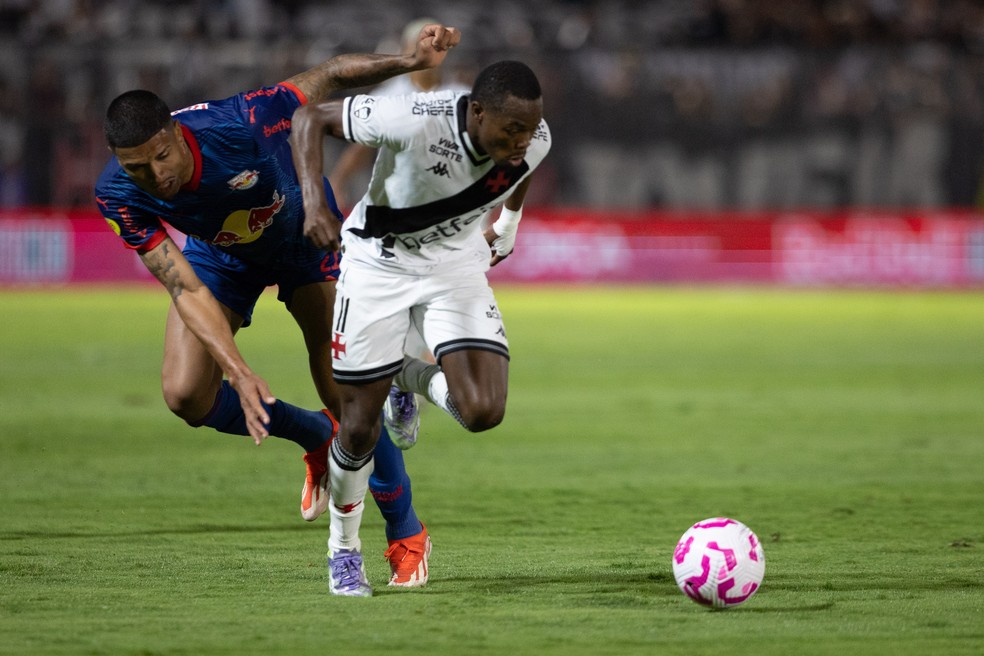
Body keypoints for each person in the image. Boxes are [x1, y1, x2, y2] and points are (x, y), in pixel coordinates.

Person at [94, 23, 461, 593]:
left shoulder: (240, 121)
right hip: (221, 259)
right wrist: (238, 371)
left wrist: (409, 60)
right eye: (137, 168)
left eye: (160, 158)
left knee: (347, 392)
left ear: (174, 132)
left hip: (304, 242)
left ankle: (405, 532)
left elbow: (330, 75)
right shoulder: (117, 192)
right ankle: (312, 436)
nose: (155, 177)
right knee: (186, 395)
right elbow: (185, 288)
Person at [290, 59, 551, 596]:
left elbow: (523, 169)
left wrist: (508, 222)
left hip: (453, 263)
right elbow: (308, 120)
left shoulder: (535, 137)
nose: (524, 141)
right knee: (358, 427)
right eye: (512, 129)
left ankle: (406, 378)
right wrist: (315, 205)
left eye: (530, 128)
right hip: (378, 264)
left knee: (483, 410)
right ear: (477, 112)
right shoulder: (413, 117)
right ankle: (343, 551)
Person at [328, 17, 469, 212]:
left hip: (451, 200)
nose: (429, 51)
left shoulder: (463, 96)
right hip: (399, 202)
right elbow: (362, 147)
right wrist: (337, 182)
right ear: (406, 50)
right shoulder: (387, 97)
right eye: (422, 45)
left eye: (436, 45)